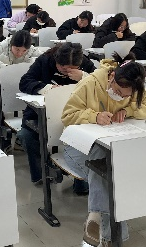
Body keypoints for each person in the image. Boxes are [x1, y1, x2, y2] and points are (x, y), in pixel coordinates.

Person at [61, 55, 146, 247]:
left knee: (107, 168)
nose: (119, 97)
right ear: (111, 77)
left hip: (108, 150)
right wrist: (94, 116)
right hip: (77, 148)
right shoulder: (90, 83)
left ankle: (95, 215)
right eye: (117, 91)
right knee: (111, 175)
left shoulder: (136, 90)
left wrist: (129, 109)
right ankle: (112, 238)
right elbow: (67, 116)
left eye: (126, 96)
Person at [17, 43, 95, 190]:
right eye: (63, 68)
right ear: (56, 60)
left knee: (83, 135)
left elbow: (103, 84)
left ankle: (80, 179)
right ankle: (43, 173)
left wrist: (84, 76)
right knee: (26, 135)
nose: (67, 72)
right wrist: (49, 88)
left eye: (72, 69)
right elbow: (25, 82)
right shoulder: (45, 60)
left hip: (76, 114)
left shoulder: (84, 62)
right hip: (40, 113)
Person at [0, 30, 41, 146]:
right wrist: (8, 69)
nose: (20, 53)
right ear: (11, 44)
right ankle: (2, 142)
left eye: (24, 51)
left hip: (23, 90)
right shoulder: (2, 46)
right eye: (17, 49)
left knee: (36, 110)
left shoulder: (32, 50)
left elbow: (43, 61)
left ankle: (22, 139)